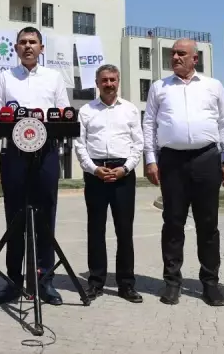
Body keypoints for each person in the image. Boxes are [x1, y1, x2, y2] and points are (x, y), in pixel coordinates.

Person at [143, 38, 224, 307]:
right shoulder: (159, 87)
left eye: (181, 53)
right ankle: (172, 282)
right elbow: (149, 125)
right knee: (173, 223)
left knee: (208, 225)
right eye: (173, 53)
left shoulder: (213, 86)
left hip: (206, 159)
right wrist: (150, 159)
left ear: (195, 58)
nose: (175, 57)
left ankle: (210, 284)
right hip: (172, 161)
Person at [0, 26, 70, 305]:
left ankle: (44, 282)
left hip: (46, 154)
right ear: (15, 48)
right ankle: (14, 281)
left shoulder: (54, 77)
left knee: (46, 217)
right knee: (15, 217)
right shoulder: (5, 77)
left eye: (33, 42)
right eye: (22, 42)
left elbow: (64, 113)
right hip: (14, 155)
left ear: (41, 48)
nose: (27, 46)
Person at [73, 64, 143, 303]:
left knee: (124, 230)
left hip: (124, 173)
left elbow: (138, 144)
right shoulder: (86, 111)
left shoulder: (130, 110)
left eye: (113, 79)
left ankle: (126, 284)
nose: (109, 84)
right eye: (104, 80)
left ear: (118, 81)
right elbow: (80, 145)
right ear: (97, 83)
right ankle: (95, 282)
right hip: (96, 174)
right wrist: (94, 169)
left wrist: (125, 168)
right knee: (96, 229)